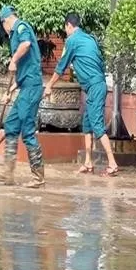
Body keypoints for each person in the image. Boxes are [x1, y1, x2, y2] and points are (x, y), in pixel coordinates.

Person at [45, 13, 119, 176]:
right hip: (96, 86)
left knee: (97, 126)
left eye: (65, 29)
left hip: (95, 87)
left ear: (69, 26)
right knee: (87, 124)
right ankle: (88, 162)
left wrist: (49, 85)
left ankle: (112, 164)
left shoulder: (72, 40)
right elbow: (99, 62)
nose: (66, 32)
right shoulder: (90, 39)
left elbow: (61, 66)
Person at [0, 5, 45, 188]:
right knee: (11, 124)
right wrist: (11, 89)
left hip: (32, 87)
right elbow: (25, 69)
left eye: (3, 24)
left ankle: (38, 177)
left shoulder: (20, 27)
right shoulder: (14, 33)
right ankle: (8, 173)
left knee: (27, 130)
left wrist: (13, 59)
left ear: (6, 21)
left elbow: (26, 45)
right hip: (25, 85)